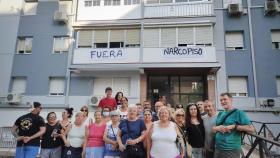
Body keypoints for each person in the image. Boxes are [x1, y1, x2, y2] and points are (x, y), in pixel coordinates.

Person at [212, 93, 255, 158]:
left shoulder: (239, 113)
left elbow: (251, 130)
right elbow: (214, 129)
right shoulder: (220, 113)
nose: (222, 102)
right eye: (221, 100)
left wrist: (235, 126)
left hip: (231, 149)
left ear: (231, 100)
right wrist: (218, 128)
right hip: (218, 147)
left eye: (225, 99)